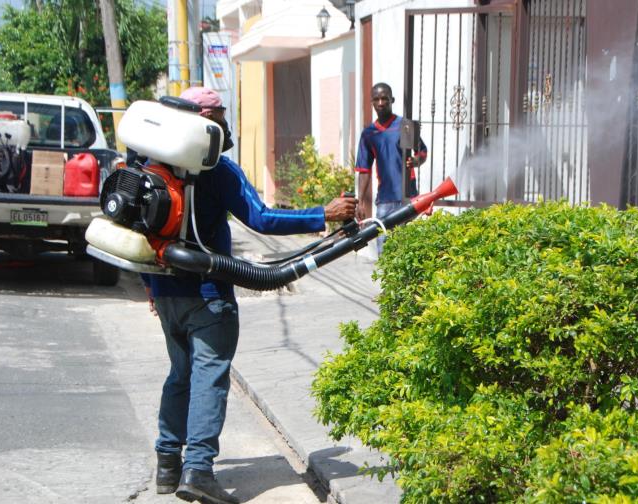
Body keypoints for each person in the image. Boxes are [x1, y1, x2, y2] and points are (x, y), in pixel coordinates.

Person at [143, 86, 357, 504]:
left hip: (166, 291)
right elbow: (261, 218)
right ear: (207, 120)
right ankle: (199, 470)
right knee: (209, 378)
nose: (226, 124)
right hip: (209, 295)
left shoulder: (154, 166)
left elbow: (140, 231)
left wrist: (153, 289)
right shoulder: (218, 169)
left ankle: (167, 465)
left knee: (180, 375)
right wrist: (323, 214)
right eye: (221, 115)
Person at [355, 82, 427, 253]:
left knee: (408, 248)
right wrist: (360, 202)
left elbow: (422, 152)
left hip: (408, 198)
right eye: (377, 99)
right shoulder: (368, 134)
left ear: (392, 100)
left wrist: (415, 161)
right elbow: (364, 171)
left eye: (384, 99)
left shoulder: (405, 126)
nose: (381, 103)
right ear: (372, 102)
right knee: (385, 249)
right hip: (385, 201)